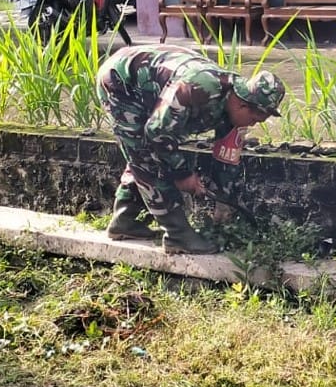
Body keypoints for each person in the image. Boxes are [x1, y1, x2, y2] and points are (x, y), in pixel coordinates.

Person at [96, 44, 285, 255]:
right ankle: (178, 235)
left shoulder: (234, 113)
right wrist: (183, 175)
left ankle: (124, 222)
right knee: (145, 156)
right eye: (253, 119)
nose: (252, 125)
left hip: (155, 89)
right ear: (242, 104)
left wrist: (224, 205)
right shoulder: (197, 88)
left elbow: (226, 161)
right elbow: (157, 133)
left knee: (151, 154)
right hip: (122, 83)